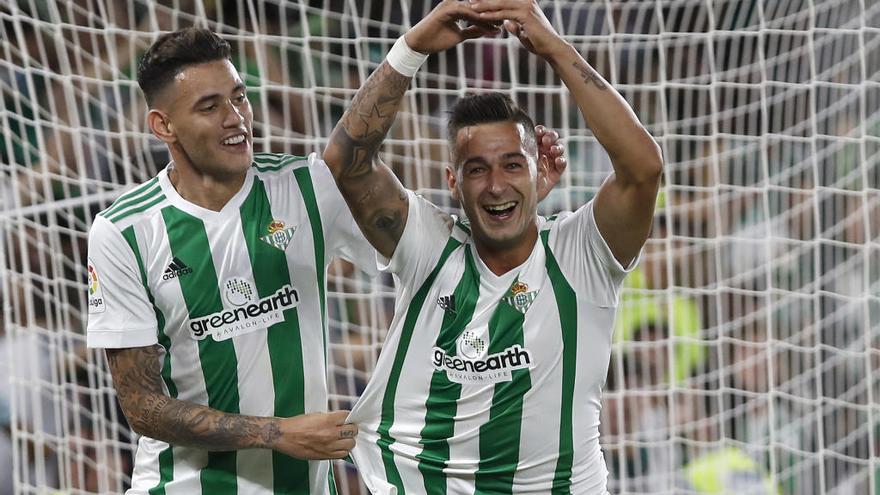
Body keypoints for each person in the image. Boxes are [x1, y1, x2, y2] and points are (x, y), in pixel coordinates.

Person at [85, 27, 566, 494]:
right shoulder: (123, 231)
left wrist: (523, 203)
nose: (236, 117)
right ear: (162, 126)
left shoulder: (306, 188)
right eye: (210, 107)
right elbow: (142, 406)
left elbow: (444, 251)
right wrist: (277, 434)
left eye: (239, 96)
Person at [322, 0, 663, 492]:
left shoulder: (580, 252)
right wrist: (412, 48)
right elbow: (346, 165)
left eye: (512, 166)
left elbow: (643, 169)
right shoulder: (428, 244)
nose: (496, 185)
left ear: (539, 171)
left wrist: (552, 46)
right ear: (452, 183)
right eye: (476, 169)